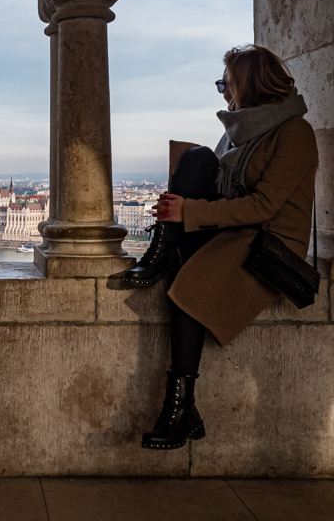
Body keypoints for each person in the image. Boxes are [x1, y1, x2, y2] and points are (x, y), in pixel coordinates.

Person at [123, 45, 318, 450]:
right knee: (195, 157)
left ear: (249, 83)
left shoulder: (294, 132)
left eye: (225, 84)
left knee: (187, 286)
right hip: (235, 229)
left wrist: (188, 210)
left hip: (269, 240)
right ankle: (162, 248)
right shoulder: (238, 132)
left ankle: (181, 406)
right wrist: (183, 210)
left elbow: (265, 205)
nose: (223, 93)